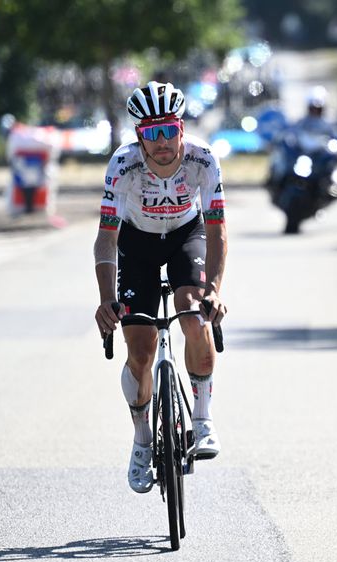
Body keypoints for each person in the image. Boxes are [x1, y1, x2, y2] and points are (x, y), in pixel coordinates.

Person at [93, 81, 228, 493]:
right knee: (140, 351)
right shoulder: (123, 165)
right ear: (140, 138)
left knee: (193, 310)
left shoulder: (204, 161)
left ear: (182, 129)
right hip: (138, 242)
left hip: (187, 234)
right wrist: (106, 301)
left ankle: (202, 421)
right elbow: (106, 238)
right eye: (153, 133)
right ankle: (140, 440)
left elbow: (218, 230)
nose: (163, 141)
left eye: (170, 129)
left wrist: (215, 290)